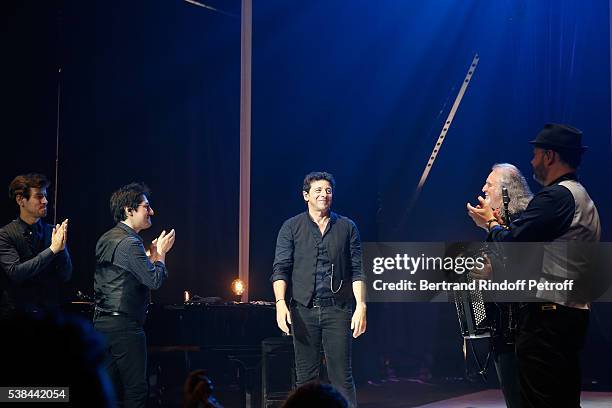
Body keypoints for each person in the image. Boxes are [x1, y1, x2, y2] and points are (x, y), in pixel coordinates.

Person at [467, 124, 601, 408]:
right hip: (571, 313)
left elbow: (515, 243)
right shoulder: (581, 196)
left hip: (547, 319)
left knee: (539, 399)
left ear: (550, 156)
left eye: (536, 154)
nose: (532, 161)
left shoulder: (556, 197)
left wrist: (489, 223)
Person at [271, 171, 367, 408]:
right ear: (306, 196)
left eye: (328, 191)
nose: (324, 195)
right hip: (303, 310)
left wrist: (361, 306)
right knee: (306, 378)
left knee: (342, 377)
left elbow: (358, 270)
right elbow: (280, 268)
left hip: (338, 309)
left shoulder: (346, 226)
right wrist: (280, 303)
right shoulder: (291, 227)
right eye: (318, 191)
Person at [93, 182, 176, 408]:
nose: (151, 212)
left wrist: (151, 256)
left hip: (102, 324)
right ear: (129, 210)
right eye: (146, 207)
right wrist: (160, 254)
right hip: (125, 327)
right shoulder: (130, 243)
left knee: (105, 389)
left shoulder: (107, 237)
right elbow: (154, 281)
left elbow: (126, 274)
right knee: (136, 391)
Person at [475, 163, 532, 408]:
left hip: (520, 333)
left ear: (506, 191)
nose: (483, 188)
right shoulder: (499, 227)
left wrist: (492, 272)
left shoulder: (523, 224)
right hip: (503, 331)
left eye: (489, 184)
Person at [0, 173, 71, 316]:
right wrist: (52, 250)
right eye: (39, 196)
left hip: (49, 315)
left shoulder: (52, 231)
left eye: (45, 196)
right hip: (17, 316)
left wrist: (62, 250)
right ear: (20, 200)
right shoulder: (5, 234)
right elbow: (16, 273)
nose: (45, 201)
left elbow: (65, 275)